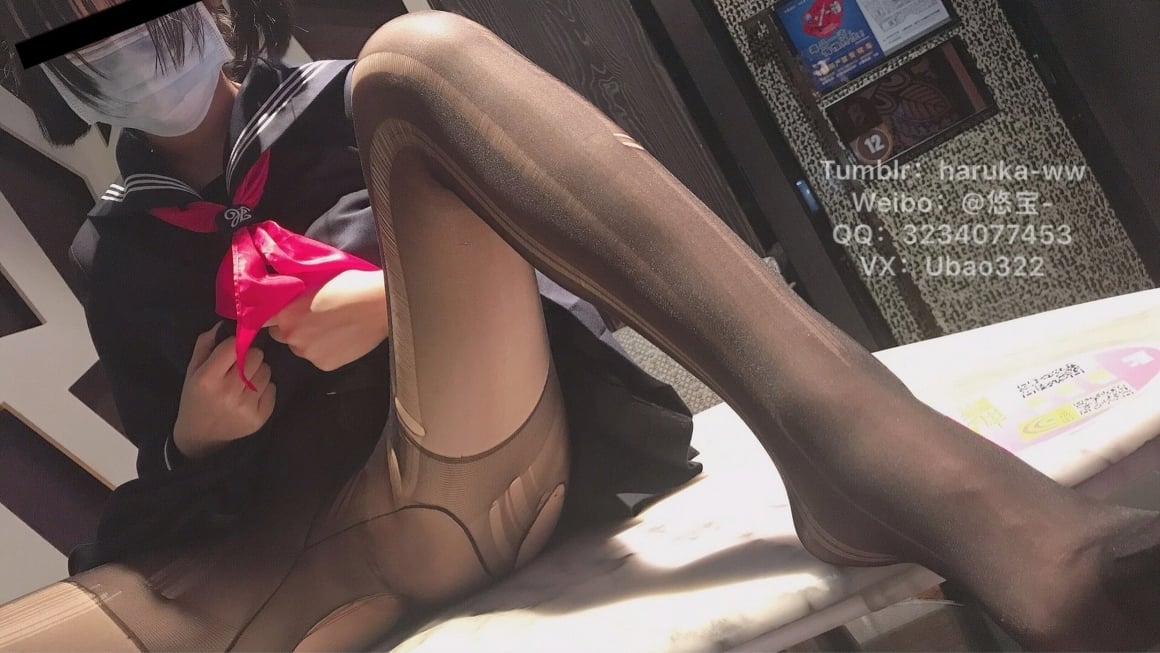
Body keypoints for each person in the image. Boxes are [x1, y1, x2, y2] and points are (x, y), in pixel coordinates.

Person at [0, 2, 1156, 651]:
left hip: (462, 447)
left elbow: (583, 292)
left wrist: (396, 307)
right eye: (87, 37)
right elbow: (160, 489)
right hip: (262, 551)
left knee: (420, 62)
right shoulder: (118, 247)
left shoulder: (350, 110)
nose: (123, 46)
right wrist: (195, 437)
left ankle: (875, 458)